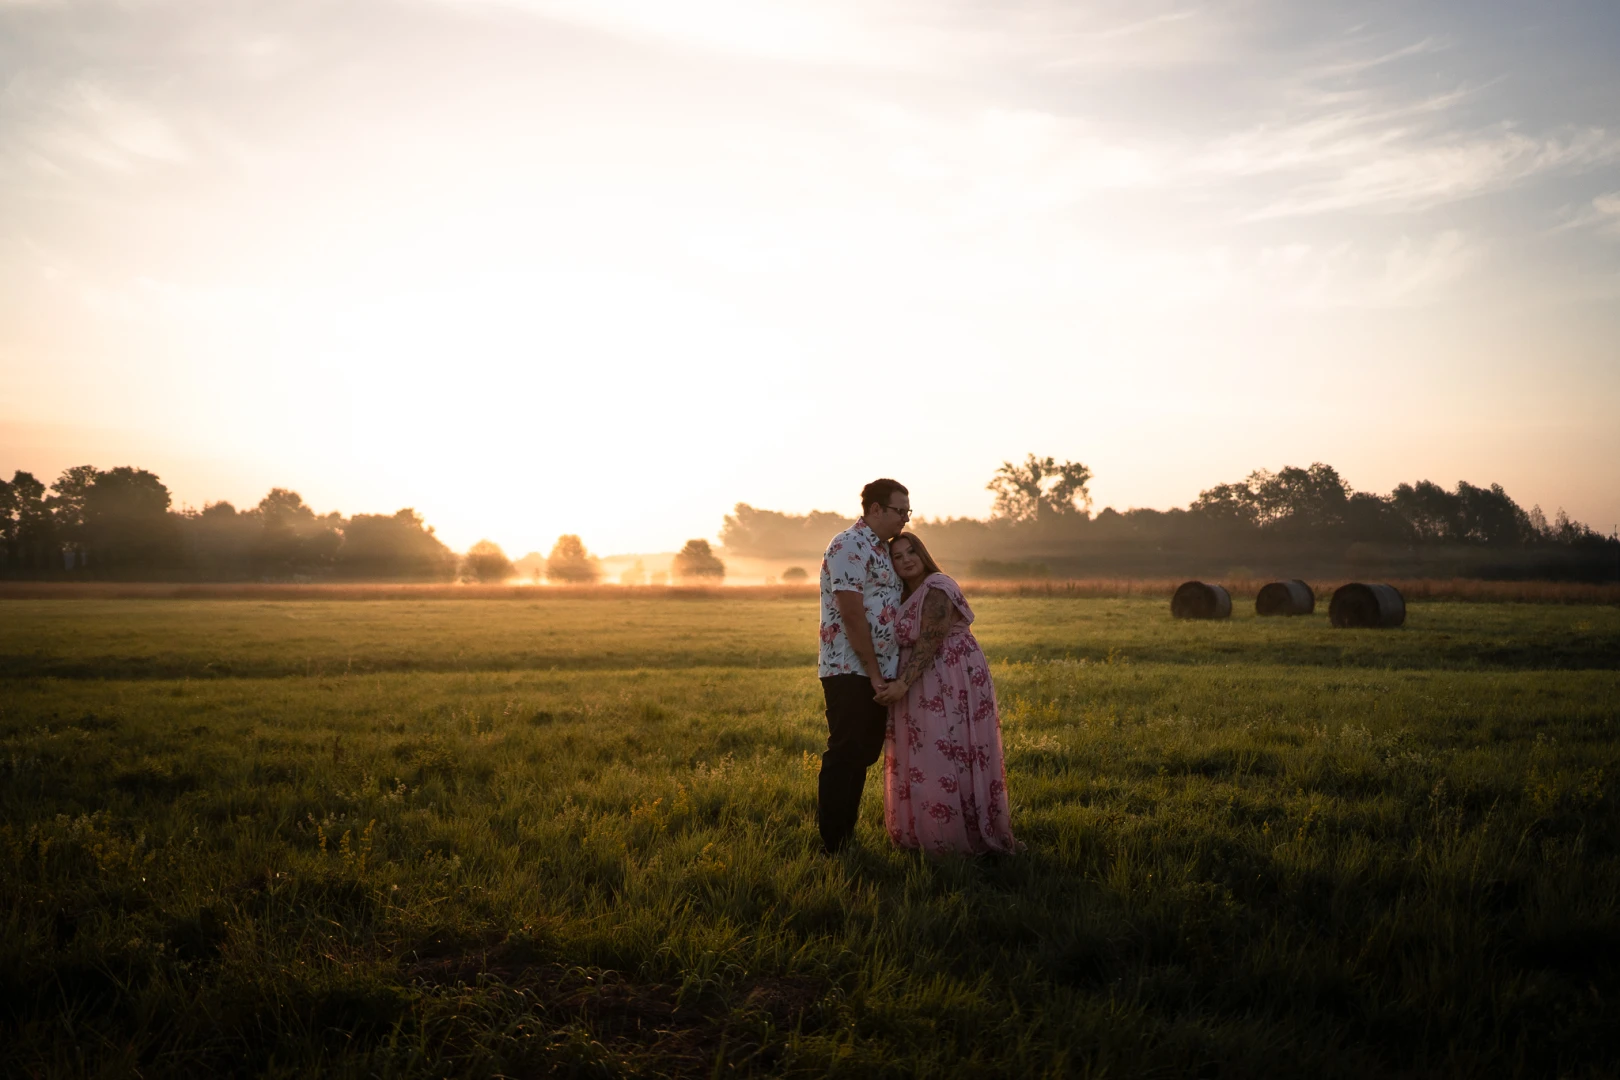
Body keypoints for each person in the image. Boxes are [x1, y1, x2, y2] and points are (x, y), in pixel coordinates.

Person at [875, 532, 1017, 855]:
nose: (906, 559)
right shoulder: (901, 593)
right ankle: (928, 830)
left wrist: (902, 684)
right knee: (926, 751)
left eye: (912, 551)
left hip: (950, 675)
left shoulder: (938, 586)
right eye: (897, 556)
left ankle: (955, 835)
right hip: (921, 680)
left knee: (951, 750)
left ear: (923, 553)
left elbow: (931, 640)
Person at [815, 478, 911, 853]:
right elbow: (852, 615)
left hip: (878, 671)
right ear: (875, 509)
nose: (904, 518)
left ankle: (844, 836)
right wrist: (873, 674)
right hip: (850, 669)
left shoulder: (883, 549)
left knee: (863, 753)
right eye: (898, 511)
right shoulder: (848, 545)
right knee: (846, 752)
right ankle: (834, 844)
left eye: (907, 511)